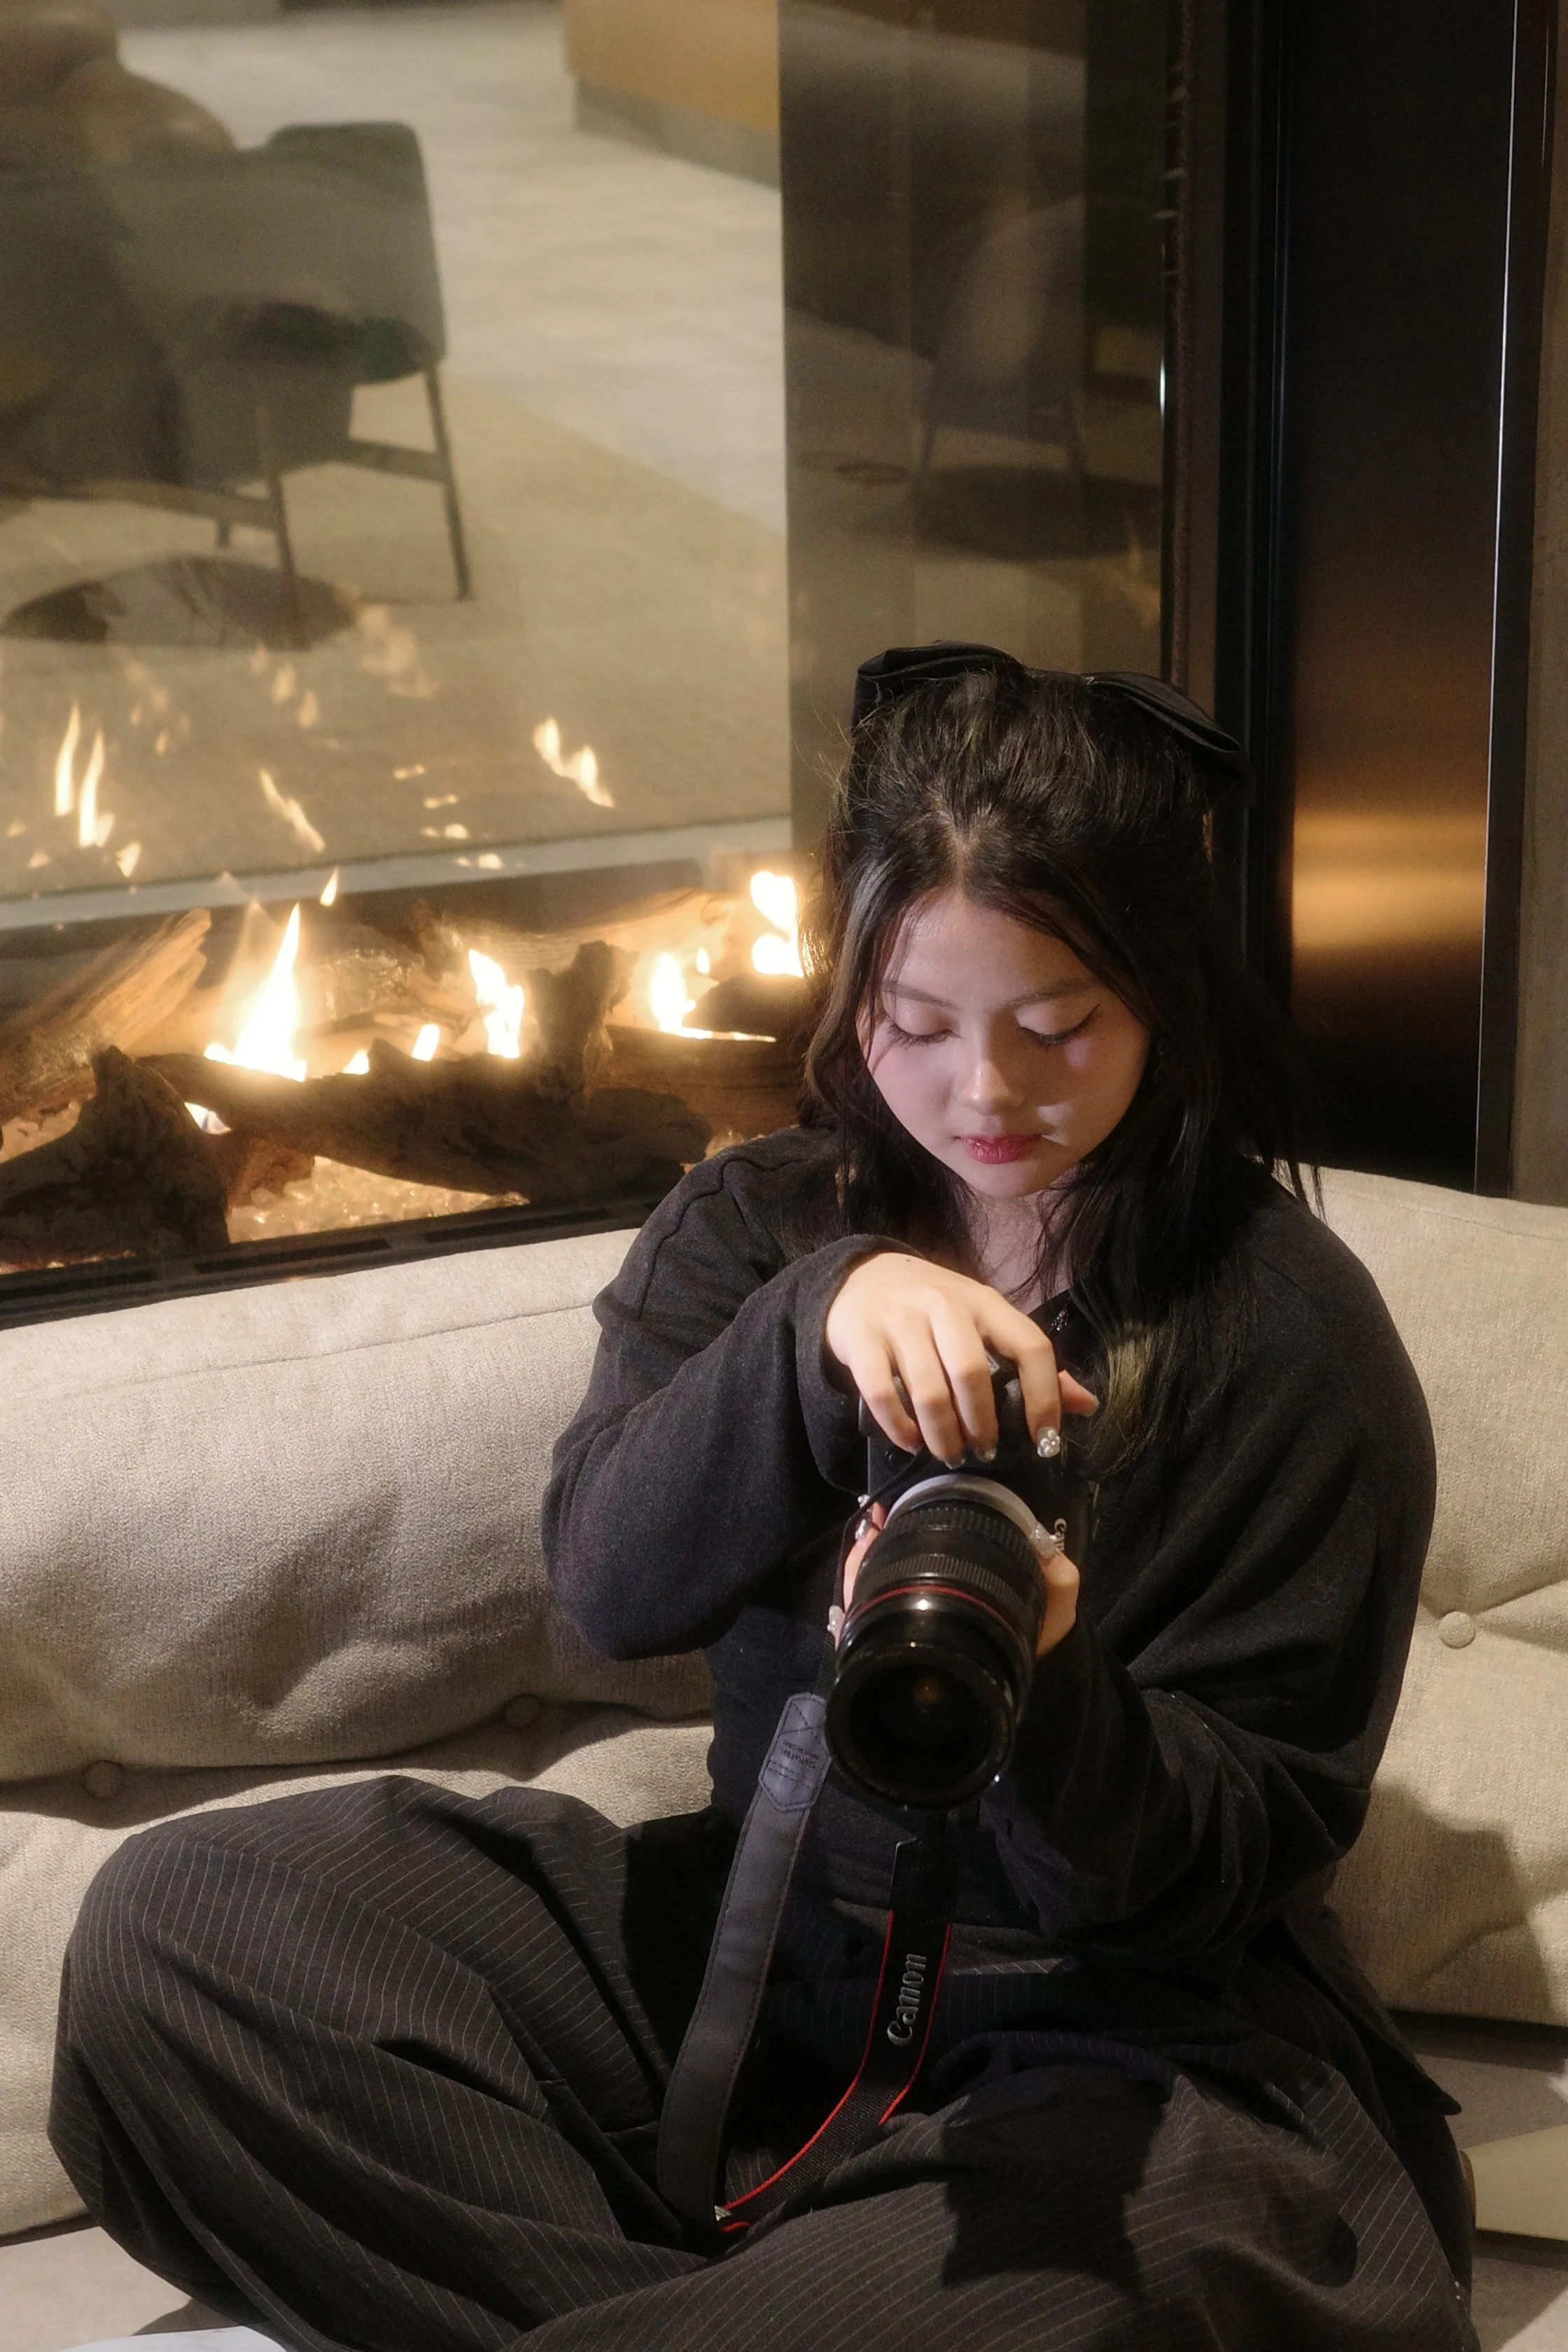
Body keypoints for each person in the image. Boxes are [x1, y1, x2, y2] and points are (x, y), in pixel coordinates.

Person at [50, 645, 1478, 2352]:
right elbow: (610, 1589)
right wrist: (811, 1330)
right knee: (183, 1935)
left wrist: (1053, 1691)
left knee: (1138, 2237)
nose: (983, 1093)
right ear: (845, 989)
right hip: (760, 1958)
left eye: (1057, 1025)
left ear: (1165, 992)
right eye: (916, 1024)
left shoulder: (1287, 1334)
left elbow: (1213, 1867)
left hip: (1128, 2053)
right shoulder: (752, 1230)